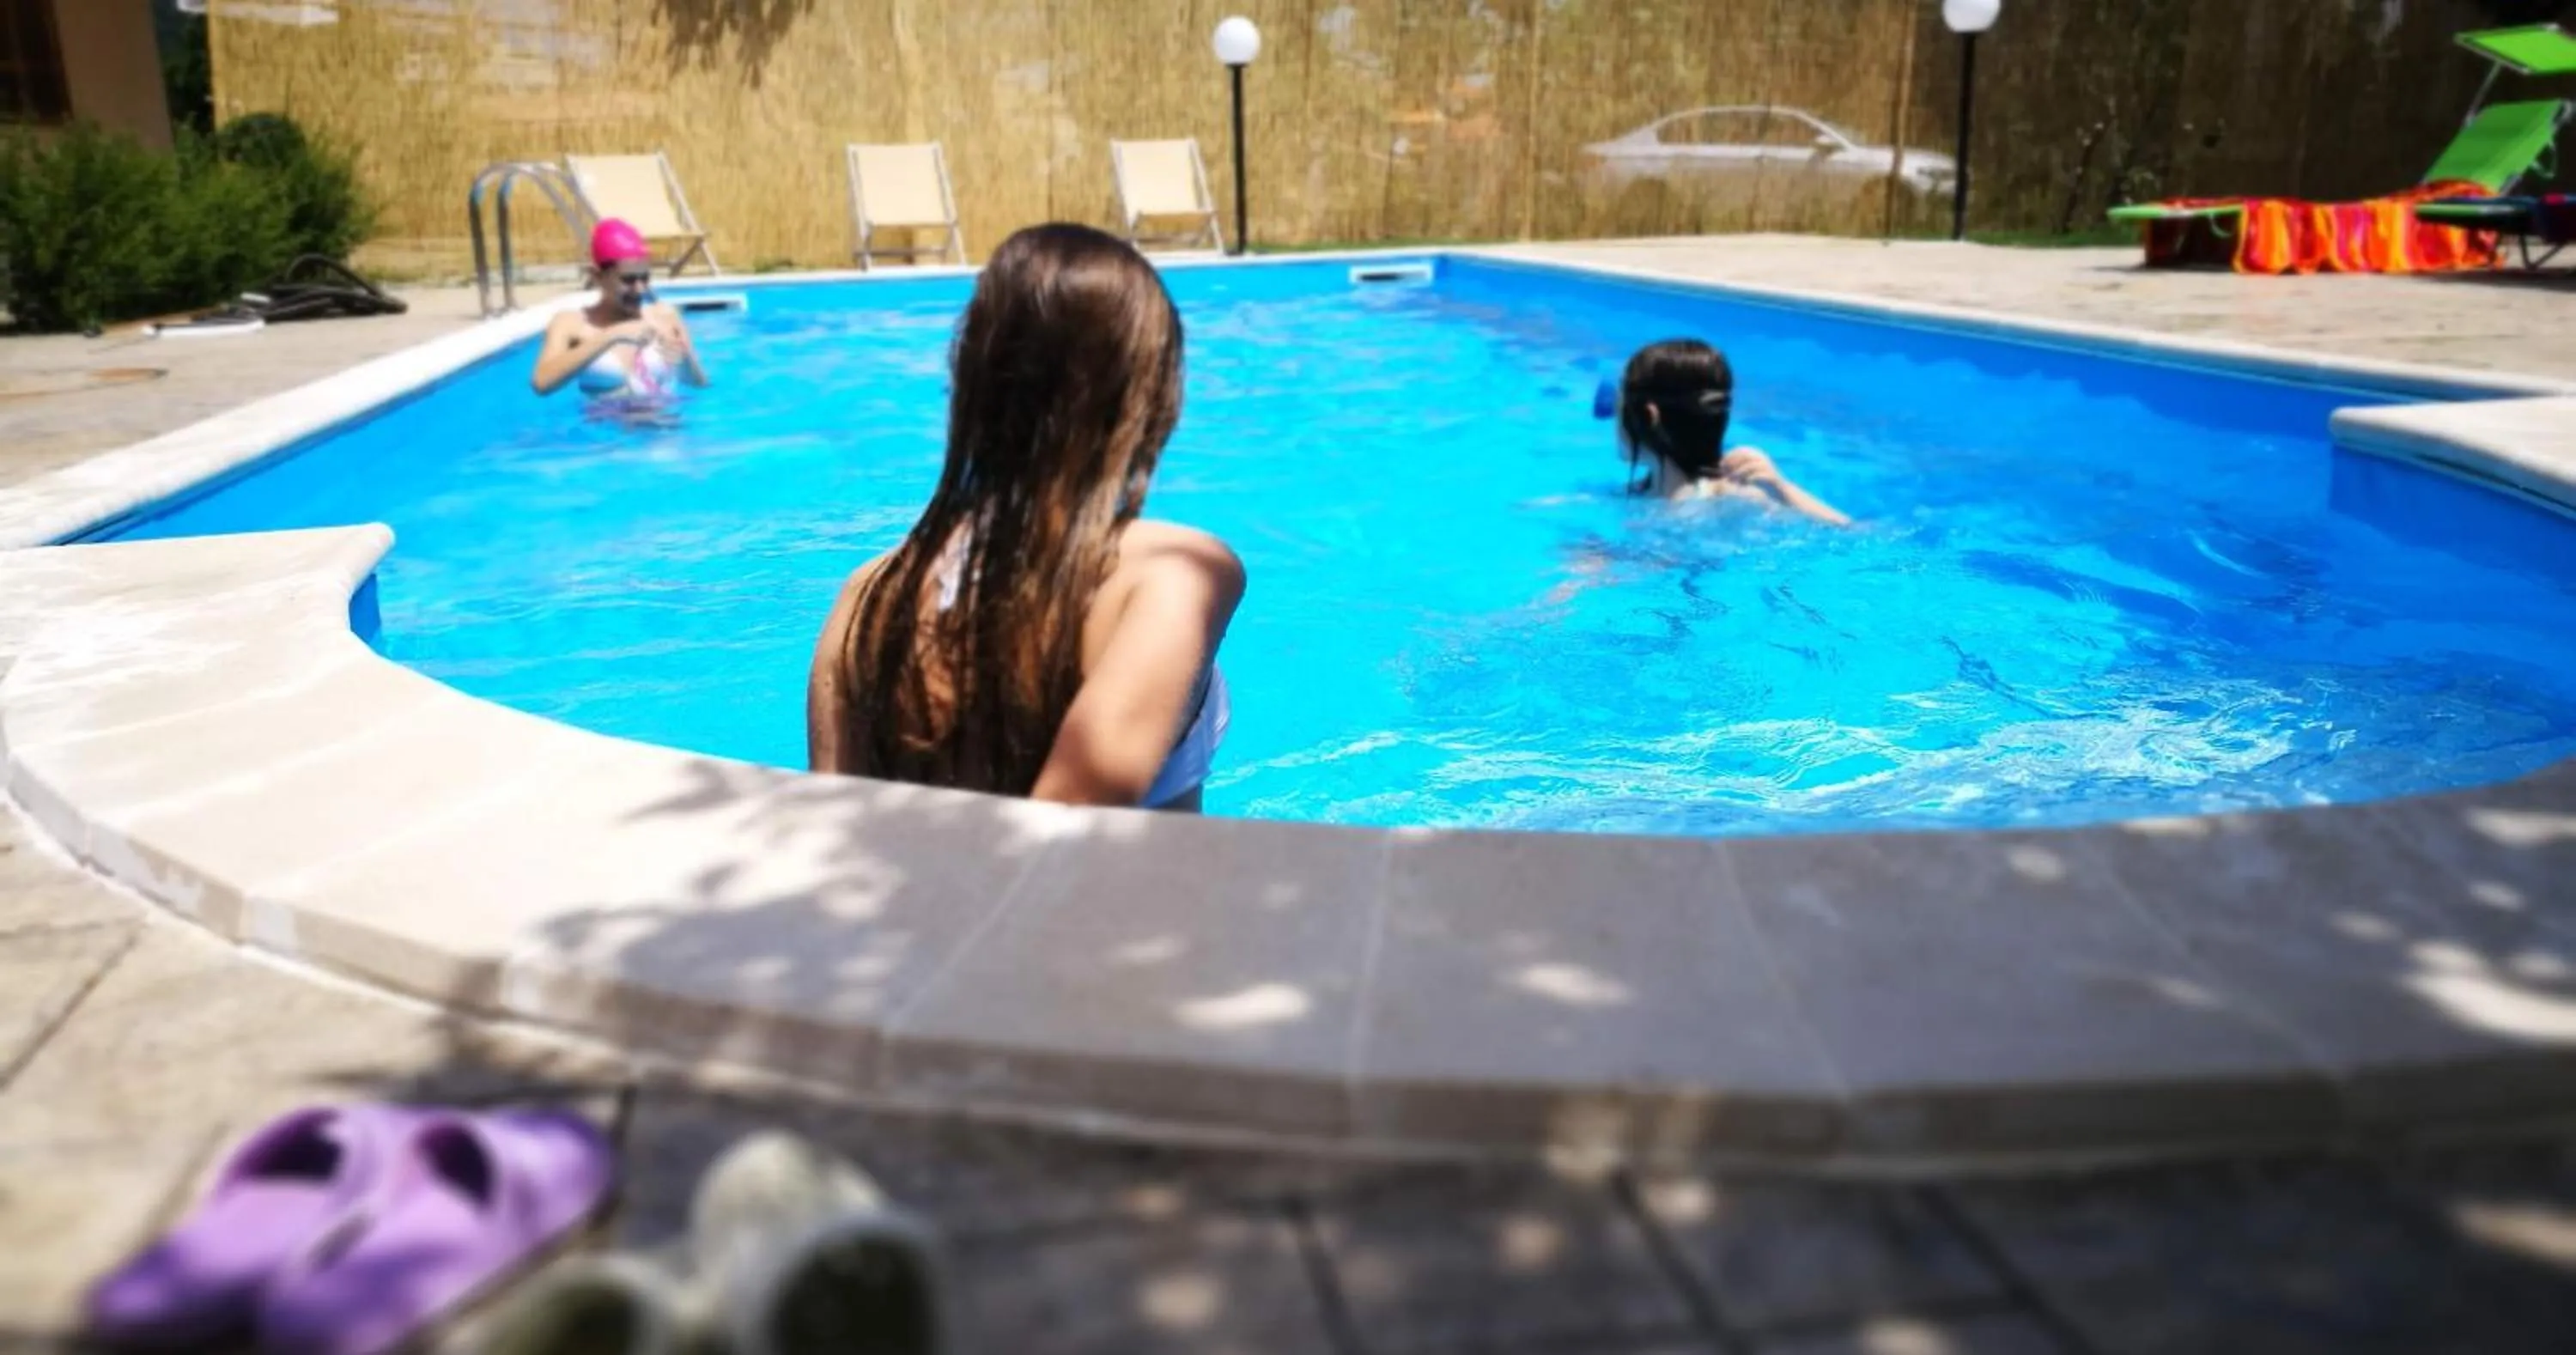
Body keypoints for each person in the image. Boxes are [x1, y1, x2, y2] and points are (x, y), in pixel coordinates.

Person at [806, 223, 1245, 811]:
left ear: (970, 384)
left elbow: (836, 836)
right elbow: (1053, 847)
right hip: (1117, 904)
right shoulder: (1176, 572)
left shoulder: (865, 598)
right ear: (1152, 395)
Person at [1613, 338, 1848, 526]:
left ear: (1650, 416)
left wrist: (1781, 490)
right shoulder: (1635, 493)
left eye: (1619, 406)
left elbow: (1850, 534)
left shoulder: (1733, 497)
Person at [530, 219, 709, 409]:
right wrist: (612, 335)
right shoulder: (571, 323)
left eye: (645, 278)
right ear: (597, 276)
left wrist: (684, 360)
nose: (640, 289)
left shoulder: (664, 315)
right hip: (604, 436)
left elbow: (698, 383)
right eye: (628, 280)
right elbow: (541, 384)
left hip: (664, 432)